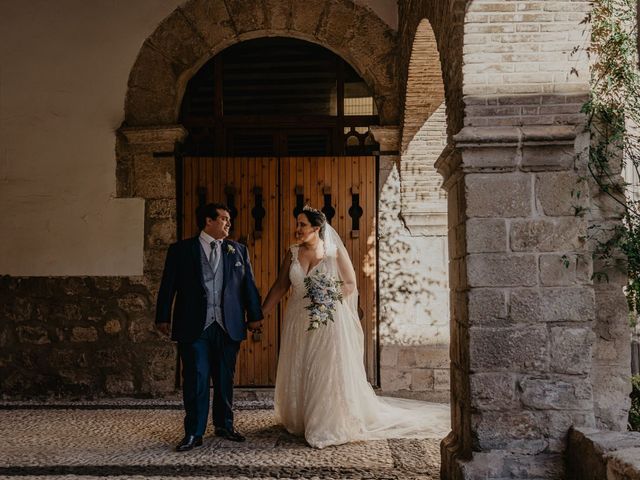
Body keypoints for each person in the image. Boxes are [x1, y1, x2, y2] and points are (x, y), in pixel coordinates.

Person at [261, 205, 449, 448]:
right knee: (301, 364)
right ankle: (303, 418)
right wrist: (261, 314)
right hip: (298, 321)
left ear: (316, 228)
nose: (297, 229)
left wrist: (328, 297)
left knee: (324, 368)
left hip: (327, 320)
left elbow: (349, 284)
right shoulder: (292, 253)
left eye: (302, 224)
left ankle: (325, 423)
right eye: (297, 224)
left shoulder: (333, 251)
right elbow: (280, 286)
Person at [156, 203, 263, 451]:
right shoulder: (181, 250)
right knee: (196, 378)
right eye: (224, 219)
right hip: (195, 325)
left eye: (228, 219)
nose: (228, 223)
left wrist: (255, 316)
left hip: (228, 325)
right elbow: (167, 285)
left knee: (225, 379)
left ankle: (225, 424)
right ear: (208, 221)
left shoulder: (238, 251)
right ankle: (194, 432)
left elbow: (248, 287)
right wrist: (162, 317)